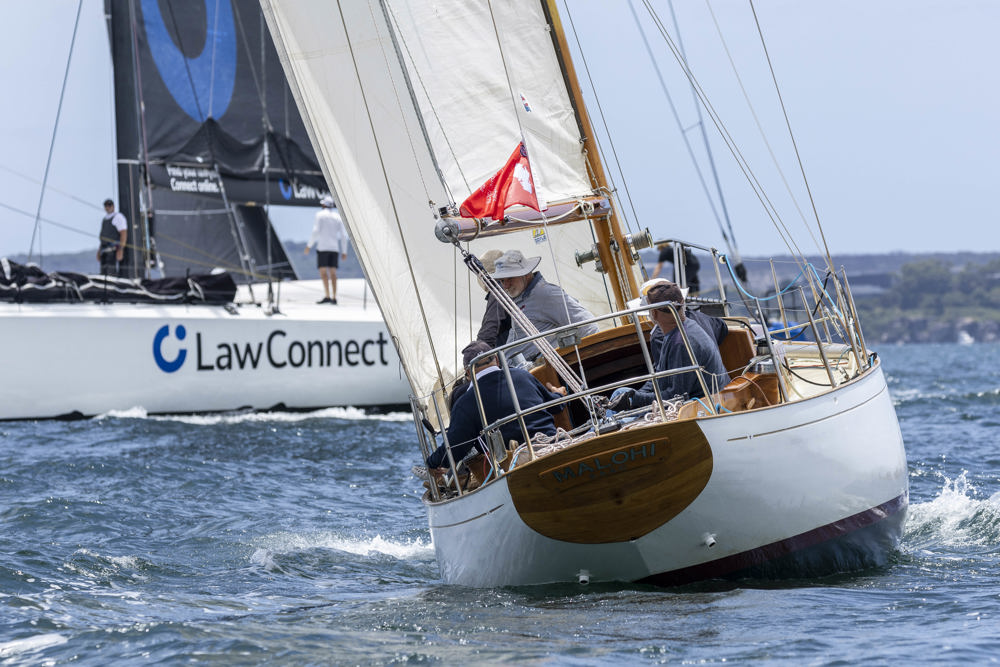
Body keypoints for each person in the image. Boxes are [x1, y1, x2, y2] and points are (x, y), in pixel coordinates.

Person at [426, 341, 565, 470]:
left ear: (468, 372)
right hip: (555, 445)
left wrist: (432, 463)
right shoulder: (523, 375)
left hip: (519, 465)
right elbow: (556, 406)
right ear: (497, 360)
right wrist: (559, 394)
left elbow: (454, 450)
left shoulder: (466, 403)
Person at [611, 281, 729, 411]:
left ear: (653, 313)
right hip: (705, 400)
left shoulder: (681, 343)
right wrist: (632, 395)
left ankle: (597, 430)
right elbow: (661, 376)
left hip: (699, 407)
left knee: (616, 413)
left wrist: (637, 399)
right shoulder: (683, 330)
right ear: (682, 302)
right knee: (621, 392)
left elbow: (676, 396)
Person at [490, 249, 598, 363]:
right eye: (502, 280)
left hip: (543, 372)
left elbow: (588, 326)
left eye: (510, 278)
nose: (506, 285)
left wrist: (586, 364)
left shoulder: (547, 294)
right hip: (521, 372)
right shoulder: (521, 297)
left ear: (526, 274)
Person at [304, 195, 348, 304]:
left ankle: (327, 295)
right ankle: (334, 297)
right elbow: (343, 235)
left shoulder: (319, 215)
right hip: (334, 248)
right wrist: (344, 251)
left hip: (323, 248)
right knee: (333, 273)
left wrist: (309, 245)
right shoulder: (337, 217)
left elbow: (315, 231)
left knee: (323, 273)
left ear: (324, 205)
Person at [475, 249, 510, 347]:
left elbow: (489, 329)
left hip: (512, 355)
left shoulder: (498, 290)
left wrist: (479, 352)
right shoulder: (514, 287)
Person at [97, 198, 128, 277]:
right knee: (103, 273)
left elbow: (123, 234)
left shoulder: (118, 217)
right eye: (106, 206)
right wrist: (99, 251)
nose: (108, 207)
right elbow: (103, 237)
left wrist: (121, 250)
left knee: (111, 273)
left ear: (113, 206)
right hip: (104, 250)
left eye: (109, 205)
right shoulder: (105, 219)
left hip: (113, 250)